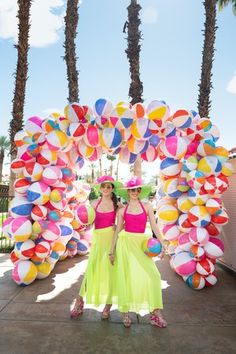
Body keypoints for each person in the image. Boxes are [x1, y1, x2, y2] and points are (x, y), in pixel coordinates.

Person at [109, 176, 167, 328]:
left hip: (142, 244)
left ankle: (155, 314)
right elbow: (118, 230)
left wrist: (162, 243)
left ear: (140, 191)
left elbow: (154, 226)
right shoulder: (122, 210)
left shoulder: (147, 206)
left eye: (136, 190)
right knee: (126, 277)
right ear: (128, 192)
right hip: (126, 244)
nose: (134, 192)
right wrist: (111, 250)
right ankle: (125, 312)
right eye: (131, 190)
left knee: (154, 275)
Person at [70, 175, 122, 319]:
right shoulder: (94, 204)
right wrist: (86, 223)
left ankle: (108, 306)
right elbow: (89, 222)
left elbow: (123, 224)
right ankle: (79, 302)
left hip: (111, 240)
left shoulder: (117, 205)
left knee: (111, 273)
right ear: (100, 188)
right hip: (98, 240)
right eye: (103, 186)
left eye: (108, 186)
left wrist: (117, 226)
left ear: (112, 189)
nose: (105, 189)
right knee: (91, 271)